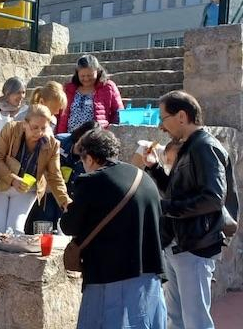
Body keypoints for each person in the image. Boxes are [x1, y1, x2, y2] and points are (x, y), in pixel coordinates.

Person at [142, 90, 239, 329]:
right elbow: (178, 192)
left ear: (182, 116)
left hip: (195, 246)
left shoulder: (205, 147)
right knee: (175, 319)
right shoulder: (189, 147)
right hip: (179, 244)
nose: (161, 127)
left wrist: (165, 207)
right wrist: (155, 170)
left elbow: (212, 198)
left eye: (163, 118)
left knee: (195, 321)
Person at [60, 129, 166, 329]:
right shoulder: (143, 178)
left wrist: (69, 209)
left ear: (89, 158)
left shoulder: (91, 181)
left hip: (109, 277)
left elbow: (69, 225)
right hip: (149, 276)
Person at [0, 104, 70, 233]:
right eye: (34, 127)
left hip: (26, 189)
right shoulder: (10, 128)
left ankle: (11, 253)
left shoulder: (53, 145)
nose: (39, 132)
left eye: (43, 128)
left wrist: (65, 201)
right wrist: (13, 179)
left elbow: (55, 176)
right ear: (25, 123)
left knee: (15, 229)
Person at [24, 120, 99, 234]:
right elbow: (37, 161)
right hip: (47, 193)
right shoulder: (59, 141)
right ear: (78, 135)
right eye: (82, 143)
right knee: (42, 228)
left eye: (87, 147)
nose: (83, 149)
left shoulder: (91, 156)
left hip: (68, 196)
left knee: (62, 230)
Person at [57, 55, 124, 134]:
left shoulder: (108, 87)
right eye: (82, 76)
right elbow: (58, 112)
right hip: (69, 137)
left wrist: (109, 133)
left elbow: (118, 113)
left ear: (97, 71)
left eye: (90, 75)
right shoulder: (69, 89)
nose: (86, 79)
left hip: (95, 137)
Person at [0, 77, 28, 147]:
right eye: (18, 93)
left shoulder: (26, 111)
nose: (21, 96)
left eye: (23, 92)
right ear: (8, 93)